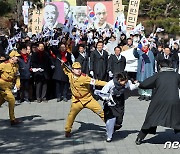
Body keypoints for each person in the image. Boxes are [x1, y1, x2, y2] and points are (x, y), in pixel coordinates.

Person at [135, 59, 180, 145]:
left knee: (151, 119)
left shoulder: (158, 75)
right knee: (177, 119)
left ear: (160, 66)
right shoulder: (177, 75)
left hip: (158, 101)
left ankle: (139, 138)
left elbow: (144, 84)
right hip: (173, 101)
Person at [62, 61, 107, 137]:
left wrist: (108, 84)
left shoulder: (85, 78)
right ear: (72, 70)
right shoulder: (70, 75)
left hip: (88, 99)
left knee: (101, 112)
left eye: (79, 68)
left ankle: (111, 126)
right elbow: (66, 71)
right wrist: (63, 65)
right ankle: (67, 130)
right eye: (76, 69)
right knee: (71, 116)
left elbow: (96, 82)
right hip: (77, 101)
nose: (78, 70)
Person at [95, 72, 139, 142]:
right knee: (111, 119)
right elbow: (103, 93)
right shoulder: (110, 83)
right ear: (119, 80)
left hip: (120, 101)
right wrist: (106, 98)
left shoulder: (127, 82)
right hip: (110, 102)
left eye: (126, 81)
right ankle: (109, 136)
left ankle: (115, 127)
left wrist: (137, 84)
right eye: (123, 82)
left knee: (119, 119)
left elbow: (131, 87)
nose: (125, 83)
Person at [0, 51, 21, 126]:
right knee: (12, 99)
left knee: (1, 101)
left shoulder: (16, 66)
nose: (18, 58)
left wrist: (18, 84)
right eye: (17, 57)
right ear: (12, 57)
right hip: (2, 85)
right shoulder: (3, 65)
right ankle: (12, 119)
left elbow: (17, 76)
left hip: (9, 85)